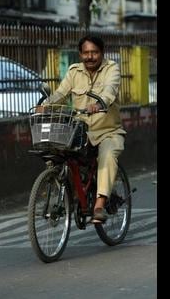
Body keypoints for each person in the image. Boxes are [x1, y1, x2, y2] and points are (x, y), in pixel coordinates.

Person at [41, 35, 126, 223]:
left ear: (101, 53)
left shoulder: (112, 68)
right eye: (86, 53)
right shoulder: (74, 71)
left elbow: (110, 89)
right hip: (81, 131)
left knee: (108, 155)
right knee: (56, 152)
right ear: (80, 54)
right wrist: (47, 104)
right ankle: (68, 193)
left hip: (108, 131)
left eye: (94, 52)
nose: (90, 56)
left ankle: (99, 206)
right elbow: (61, 93)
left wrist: (99, 102)